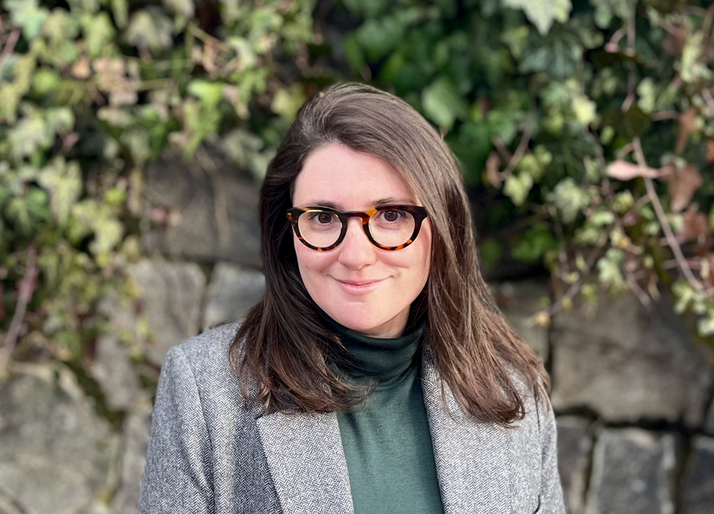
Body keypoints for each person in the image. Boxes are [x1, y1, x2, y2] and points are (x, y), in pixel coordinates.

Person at [138, 83, 565, 514]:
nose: (357, 256)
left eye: (392, 215)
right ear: (287, 233)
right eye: (323, 218)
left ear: (441, 225)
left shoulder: (514, 391)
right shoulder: (206, 391)